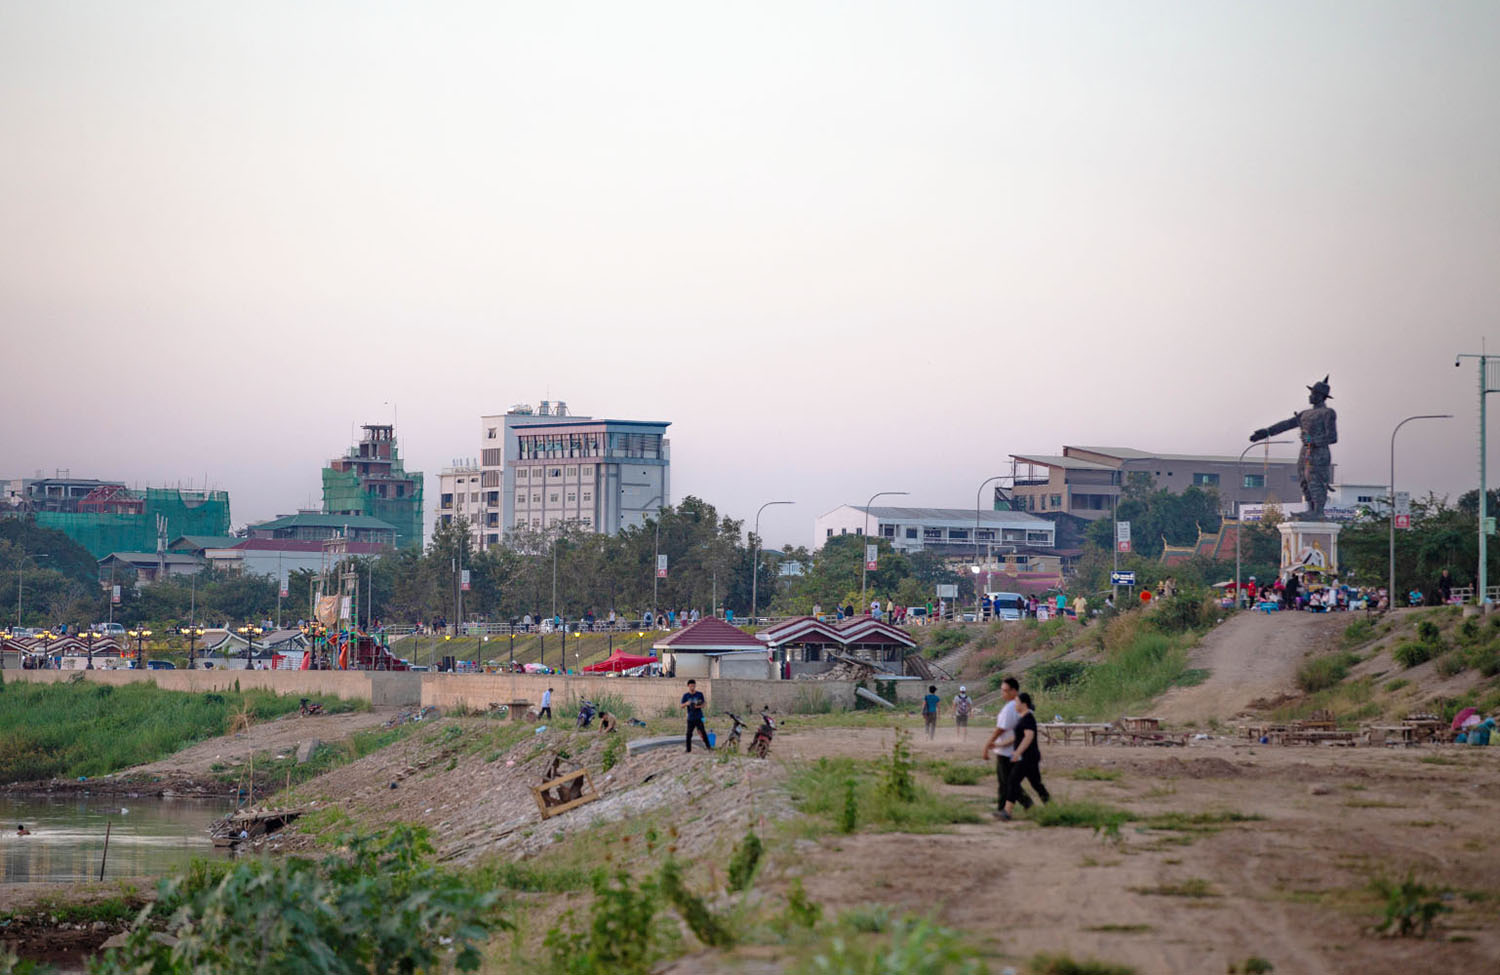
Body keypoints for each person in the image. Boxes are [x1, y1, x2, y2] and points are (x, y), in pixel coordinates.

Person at [982, 677, 1032, 816]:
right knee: (1007, 782)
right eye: (1002, 690)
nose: (1002, 694)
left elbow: (1000, 729)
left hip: (1007, 751)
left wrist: (987, 745)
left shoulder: (1011, 708)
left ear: (1014, 691)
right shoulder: (1017, 706)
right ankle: (1005, 808)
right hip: (1010, 749)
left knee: (1007, 782)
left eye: (1005, 691)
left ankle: (1021, 805)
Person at [999, 692, 1050, 820]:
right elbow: (1017, 737)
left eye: (1016, 702)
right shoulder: (1023, 718)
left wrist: (1017, 752)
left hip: (1027, 758)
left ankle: (1007, 812)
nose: (1015, 705)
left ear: (1024, 704)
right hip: (1029, 757)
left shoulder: (1028, 718)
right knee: (1036, 784)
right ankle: (1052, 808)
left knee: (1012, 781)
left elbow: (1029, 737)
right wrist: (1000, 744)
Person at [681, 679, 712, 752]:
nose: (692, 687)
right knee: (688, 734)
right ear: (688, 686)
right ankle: (688, 750)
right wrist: (687, 703)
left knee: (703, 732)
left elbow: (704, 704)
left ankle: (708, 747)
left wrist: (697, 706)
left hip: (699, 717)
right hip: (690, 718)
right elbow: (681, 706)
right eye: (691, 686)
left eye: (693, 686)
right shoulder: (686, 695)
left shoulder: (699, 694)